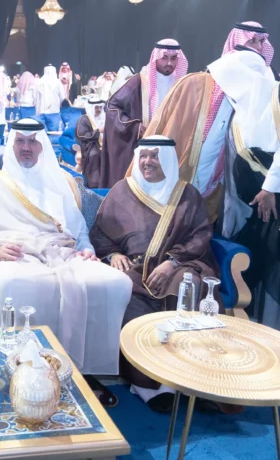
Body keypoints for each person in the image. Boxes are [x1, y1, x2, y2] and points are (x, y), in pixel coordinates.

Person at [0, 118, 132, 376]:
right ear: (12, 145)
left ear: (42, 145)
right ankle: (13, 368)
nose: (26, 147)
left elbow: (78, 229)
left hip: (62, 253)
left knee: (116, 282)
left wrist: (87, 249)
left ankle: (87, 372)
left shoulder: (61, 181)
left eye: (32, 141)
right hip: (16, 255)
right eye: (20, 141)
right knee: (12, 284)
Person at [89, 137, 221, 412]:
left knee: (188, 285)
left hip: (179, 263)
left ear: (168, 159)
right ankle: (146, 384)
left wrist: (171, 262)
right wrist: (114, 255)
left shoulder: (187, 194)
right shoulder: (122, 191)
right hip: (134, 269)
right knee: (122, 288)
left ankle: (189, 374)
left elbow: (200, 236)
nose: (147, 162)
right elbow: (100, 233)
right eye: (144, 156)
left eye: (154, 156)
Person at [214, 28, 280, 349]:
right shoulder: (240, 109)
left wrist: (271, 188)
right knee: (260, 266)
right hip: (253, 207)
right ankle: (261, 332)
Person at [100, 39, 189, 189]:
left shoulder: (182, 83)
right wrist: (134, 126)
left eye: (173, 58)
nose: (169, 63)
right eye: (164, 57)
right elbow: (112, 107)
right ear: (156, 57)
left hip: (171, 146)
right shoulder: (140, 81)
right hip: (145, 147)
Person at [75, 97, 105, 188]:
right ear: (91, 108)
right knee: (94, 154)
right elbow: (81, 135)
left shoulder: (104, 117)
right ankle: (94, 185)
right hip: (89, 145)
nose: (99, 110)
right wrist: (98, 131)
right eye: (96, 107)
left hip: (105, 144)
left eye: (100, 107)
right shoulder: (84, 119)